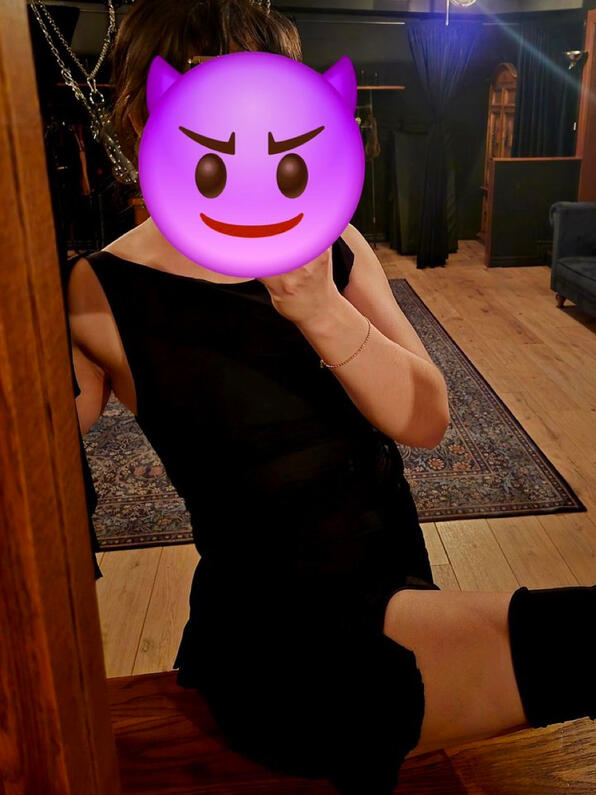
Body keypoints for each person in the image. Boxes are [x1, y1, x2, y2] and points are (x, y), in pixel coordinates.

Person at [66, 1, 596, 793]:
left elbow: (428, 419)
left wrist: (321, 309)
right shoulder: (99, 288)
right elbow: (37, 464)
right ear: (152, 114)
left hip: (393, 576)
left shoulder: (332, 245)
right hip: (283, 644)